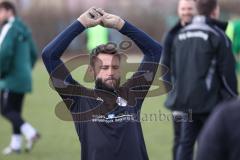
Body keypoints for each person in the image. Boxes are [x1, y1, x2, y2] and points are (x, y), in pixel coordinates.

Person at [42, 7, 162, 160]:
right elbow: (49, 55)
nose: (110, 72)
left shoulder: (132, 93)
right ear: (92, 71)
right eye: (104, 67)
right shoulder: (78, 99)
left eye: (115, 67)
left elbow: (155, 51)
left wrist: (120, 24)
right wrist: (80, 24)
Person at [168, 0, 238, 159]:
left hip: (186, 101)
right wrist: (233, 100)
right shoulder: (218, 35)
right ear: (215, 10)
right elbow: (228, 75)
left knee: (185, 143)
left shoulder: (180, 35)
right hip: (210, 103)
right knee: (209, 142)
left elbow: (175, 70)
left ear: (197, 10)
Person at [0, 1, 40, 155]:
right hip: (24, 78)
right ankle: (15, 145)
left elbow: (4, 53)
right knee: (15, 111)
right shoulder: (24, 29)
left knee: (5, 109)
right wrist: (25, 71)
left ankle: (30, 133)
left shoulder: (8, 28)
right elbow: (33, 54)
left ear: (8, 11)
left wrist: (1, 72)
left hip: (10, 78)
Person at [161, 0, 197, 159]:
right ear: (178, 10)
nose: (187, 11)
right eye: (184, 8)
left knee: (205, 139)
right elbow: (165, 67)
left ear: (195, 9)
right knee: (180, 139)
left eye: (190, 8)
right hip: (180, 98)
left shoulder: (204, 31)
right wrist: (172, 93)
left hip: (203, 97)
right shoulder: (171, 35)